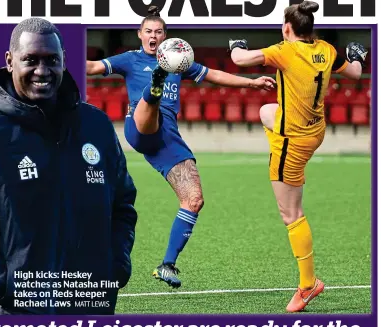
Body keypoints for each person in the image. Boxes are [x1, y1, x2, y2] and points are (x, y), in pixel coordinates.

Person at [0, 18, 138, 315]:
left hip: (89, 304)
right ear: (10, 61)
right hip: (14, 311)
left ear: (64, 62)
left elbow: (122, 205)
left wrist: (115, 267)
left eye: (51, 60)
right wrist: (7, 288)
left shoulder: (96, 125)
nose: (42, 71)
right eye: (30, 60)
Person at [86, 6, 275, 288]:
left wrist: (252, 82)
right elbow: (91, 67)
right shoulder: (130, 59)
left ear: (165, 36)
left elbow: (215, 75)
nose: (153, 36)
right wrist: (57, 54)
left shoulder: (179, 61)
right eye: (148, 31)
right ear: (140, 35)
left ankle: (167, 264)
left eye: (158, 32)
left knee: (194, 199)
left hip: (167, 139)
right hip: (140, 127)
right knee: (149, 108)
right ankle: (155, 87)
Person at [228, 1, 367, 312]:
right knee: (267, 111)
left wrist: (236, 44)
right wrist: (357, 56)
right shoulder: (327, 50)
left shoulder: (284, 51)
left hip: (294, 141)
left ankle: (308, 285)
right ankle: (278, 143)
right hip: (316, 130)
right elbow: (356, 74)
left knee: (290, 213)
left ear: (287, 28)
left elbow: (239, 59)